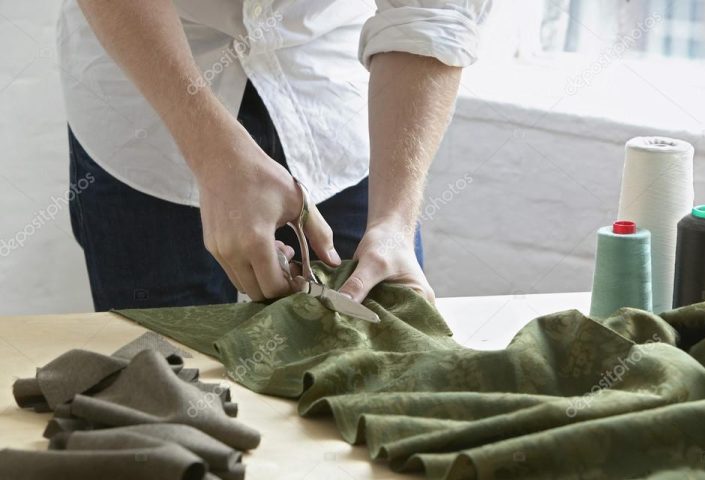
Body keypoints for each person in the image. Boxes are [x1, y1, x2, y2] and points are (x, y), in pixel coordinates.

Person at [59, 0, 490, 311]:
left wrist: (394, 222)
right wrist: (212, 156)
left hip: (335, 101)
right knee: (163, 374)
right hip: (148, 99)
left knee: (384, 340)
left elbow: (431, 13)